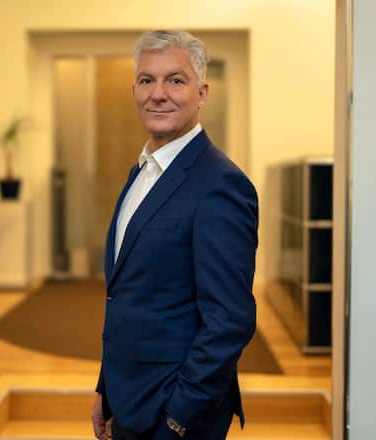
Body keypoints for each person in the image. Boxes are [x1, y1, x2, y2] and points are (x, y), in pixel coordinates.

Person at [90, 30, 258, 440]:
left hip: (175, 413)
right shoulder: (142, 172)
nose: (158, 94)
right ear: (134, 91)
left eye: (175, 80)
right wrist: (107, 391)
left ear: (202, 93)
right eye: (147, 80)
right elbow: (126, 295)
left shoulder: (220, 184)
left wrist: (178, 418)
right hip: (128, 398)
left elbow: (228, 322)